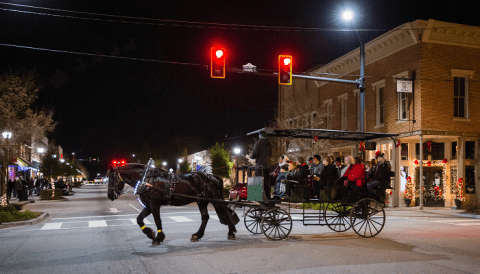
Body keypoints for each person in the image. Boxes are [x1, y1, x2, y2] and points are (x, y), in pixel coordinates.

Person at [250, 131, 272, 198]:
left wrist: (251, 157)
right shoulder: (269, 144)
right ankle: (268, 196)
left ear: (260, 136)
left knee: (257, 180)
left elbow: (255, 154)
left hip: (260, 166)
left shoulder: (258, 143)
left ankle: (257, 196)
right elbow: (270, 154)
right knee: (266, 181)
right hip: (268, 166)